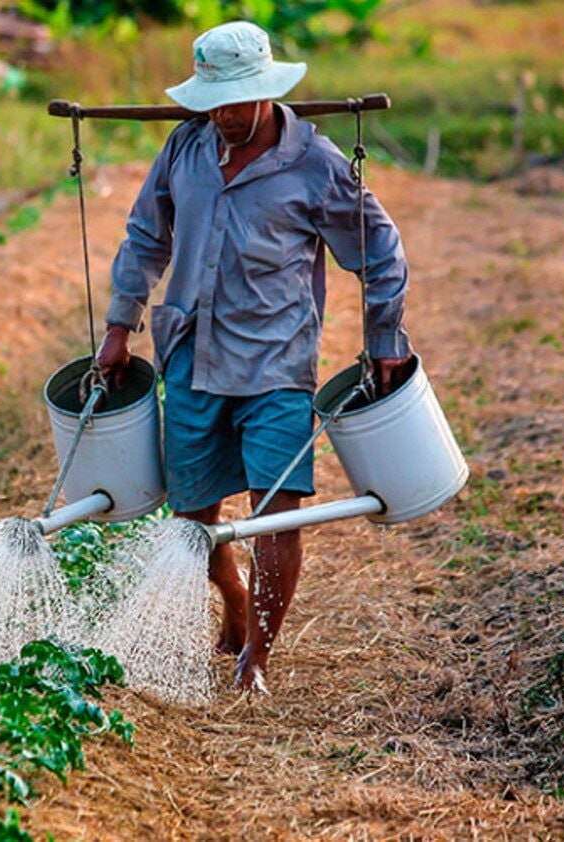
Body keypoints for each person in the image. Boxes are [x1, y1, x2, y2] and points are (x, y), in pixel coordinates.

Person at [95, 21, 413, 692]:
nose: (225, 115)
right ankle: (236, 602)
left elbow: (380, 252)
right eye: (214, 101)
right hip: (190, 355)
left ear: (267, 93)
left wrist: (384, 339)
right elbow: (145, 237)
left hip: (276, 363)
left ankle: (255, 660)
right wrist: (119, 325)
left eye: (237, 102)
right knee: (193, 520)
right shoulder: (185, 148)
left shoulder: (315, 165)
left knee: (278, 511)